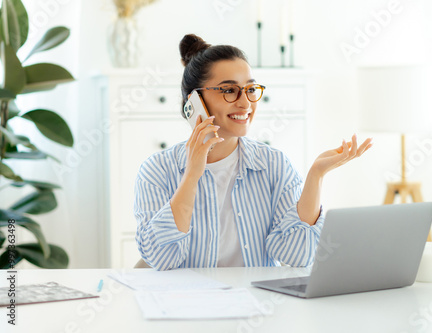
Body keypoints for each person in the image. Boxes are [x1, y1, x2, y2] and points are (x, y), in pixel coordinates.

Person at [134, 34, 372, 270]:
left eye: (250, 89)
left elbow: (298, 256)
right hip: (186, 303)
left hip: (257, 302)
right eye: (229, 90)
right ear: (194, 102)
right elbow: (160, 259)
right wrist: (192, 175)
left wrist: (316, 176)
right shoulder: (157, 170)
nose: (245, 103)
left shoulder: (274, 164)